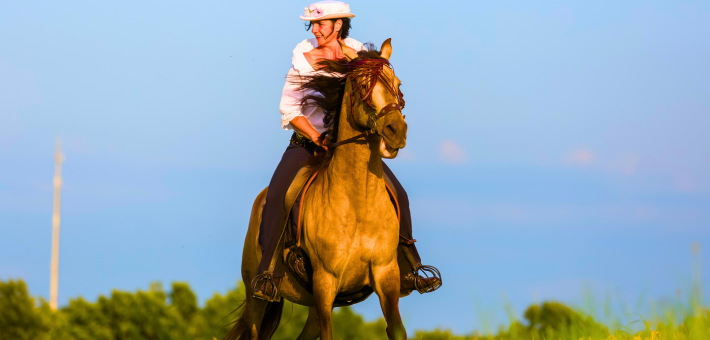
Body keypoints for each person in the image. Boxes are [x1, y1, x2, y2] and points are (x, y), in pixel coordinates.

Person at [253, 0, 441, 302]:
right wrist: (317, 137)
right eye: (312, 24)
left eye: (321, 24)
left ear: (338, 24)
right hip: (308, 145)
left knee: (400, 195)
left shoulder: (355, 53)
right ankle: (268, 274)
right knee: (277, 195)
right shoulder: (302, 59)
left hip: (352, 148)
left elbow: (373, 93)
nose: (315, 29)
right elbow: (288, 110)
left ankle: (412, 268)